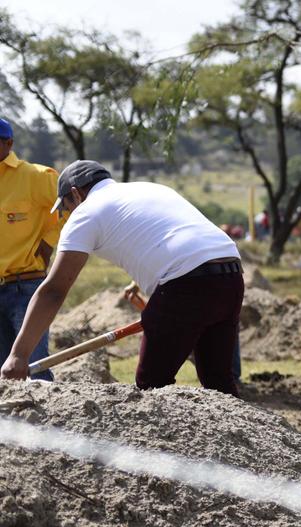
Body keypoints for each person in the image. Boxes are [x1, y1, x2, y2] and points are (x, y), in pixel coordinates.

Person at [0, 160, 243, 397]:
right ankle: (243, 436)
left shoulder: (86, 212)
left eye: (66, 206)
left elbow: (54, 290)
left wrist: (18, 356)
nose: (67, 214)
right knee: (219, 380)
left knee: (151, 385)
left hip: (185, 281)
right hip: (231, 272)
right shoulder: (150, 188)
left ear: (75, 193)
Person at [0, 118, 63, 381]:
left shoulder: (37, 177)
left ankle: (49, 422)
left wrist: (48, 244)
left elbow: (70, 209)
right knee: (3, 373)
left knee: (33, 368)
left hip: (25, 288)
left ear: (9, 143)